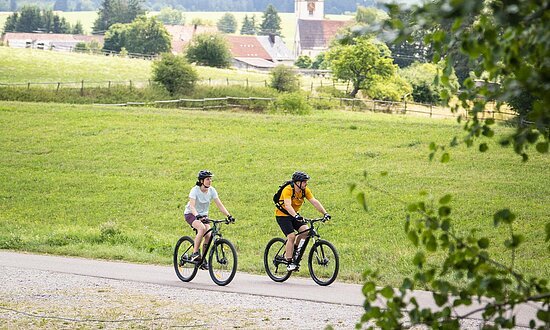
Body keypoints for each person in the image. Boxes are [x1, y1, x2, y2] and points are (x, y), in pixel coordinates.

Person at [275, 171, 331, 271]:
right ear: (297, 182)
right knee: (291, 236)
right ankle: (289, 262)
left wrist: (325, 213)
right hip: (282, 215)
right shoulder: (288, 190)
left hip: (294, 215)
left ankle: (294, 250)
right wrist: (296, 216)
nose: (306, 183)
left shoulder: (305, 190)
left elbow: (314, 201)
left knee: (305, 231)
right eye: (304, 181)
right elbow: (287, 206)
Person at [183, 170, 234, 269]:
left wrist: (229, 215)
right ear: (201, 181)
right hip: (191, 214)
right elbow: (192, 206)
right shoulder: (195, 190)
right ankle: (195, 253)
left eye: (210, 179)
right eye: (207, 179)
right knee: (201, 228)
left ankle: (202, 259)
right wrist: (197, 216)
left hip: (203, 215)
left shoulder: (212, 190)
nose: (210, 181)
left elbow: (219, 204)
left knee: (209, 235)